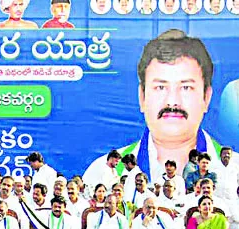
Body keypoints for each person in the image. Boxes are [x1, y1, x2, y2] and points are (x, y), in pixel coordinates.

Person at [84, 30, 237, 185]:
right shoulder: (101, 172)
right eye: (160, 87)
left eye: (186, 88)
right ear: (142, 97)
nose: (172, 102)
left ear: (206, 97)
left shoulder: (234, 169)